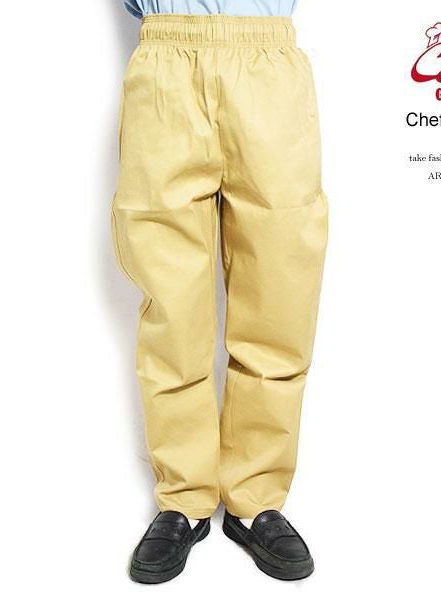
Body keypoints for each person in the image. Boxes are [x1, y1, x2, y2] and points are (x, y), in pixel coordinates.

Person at [112, 0, 328, 582]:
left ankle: (255, 499)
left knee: (280, 294)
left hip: (268, 61)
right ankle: (183, 499)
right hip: (164, 62)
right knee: (171, 308)